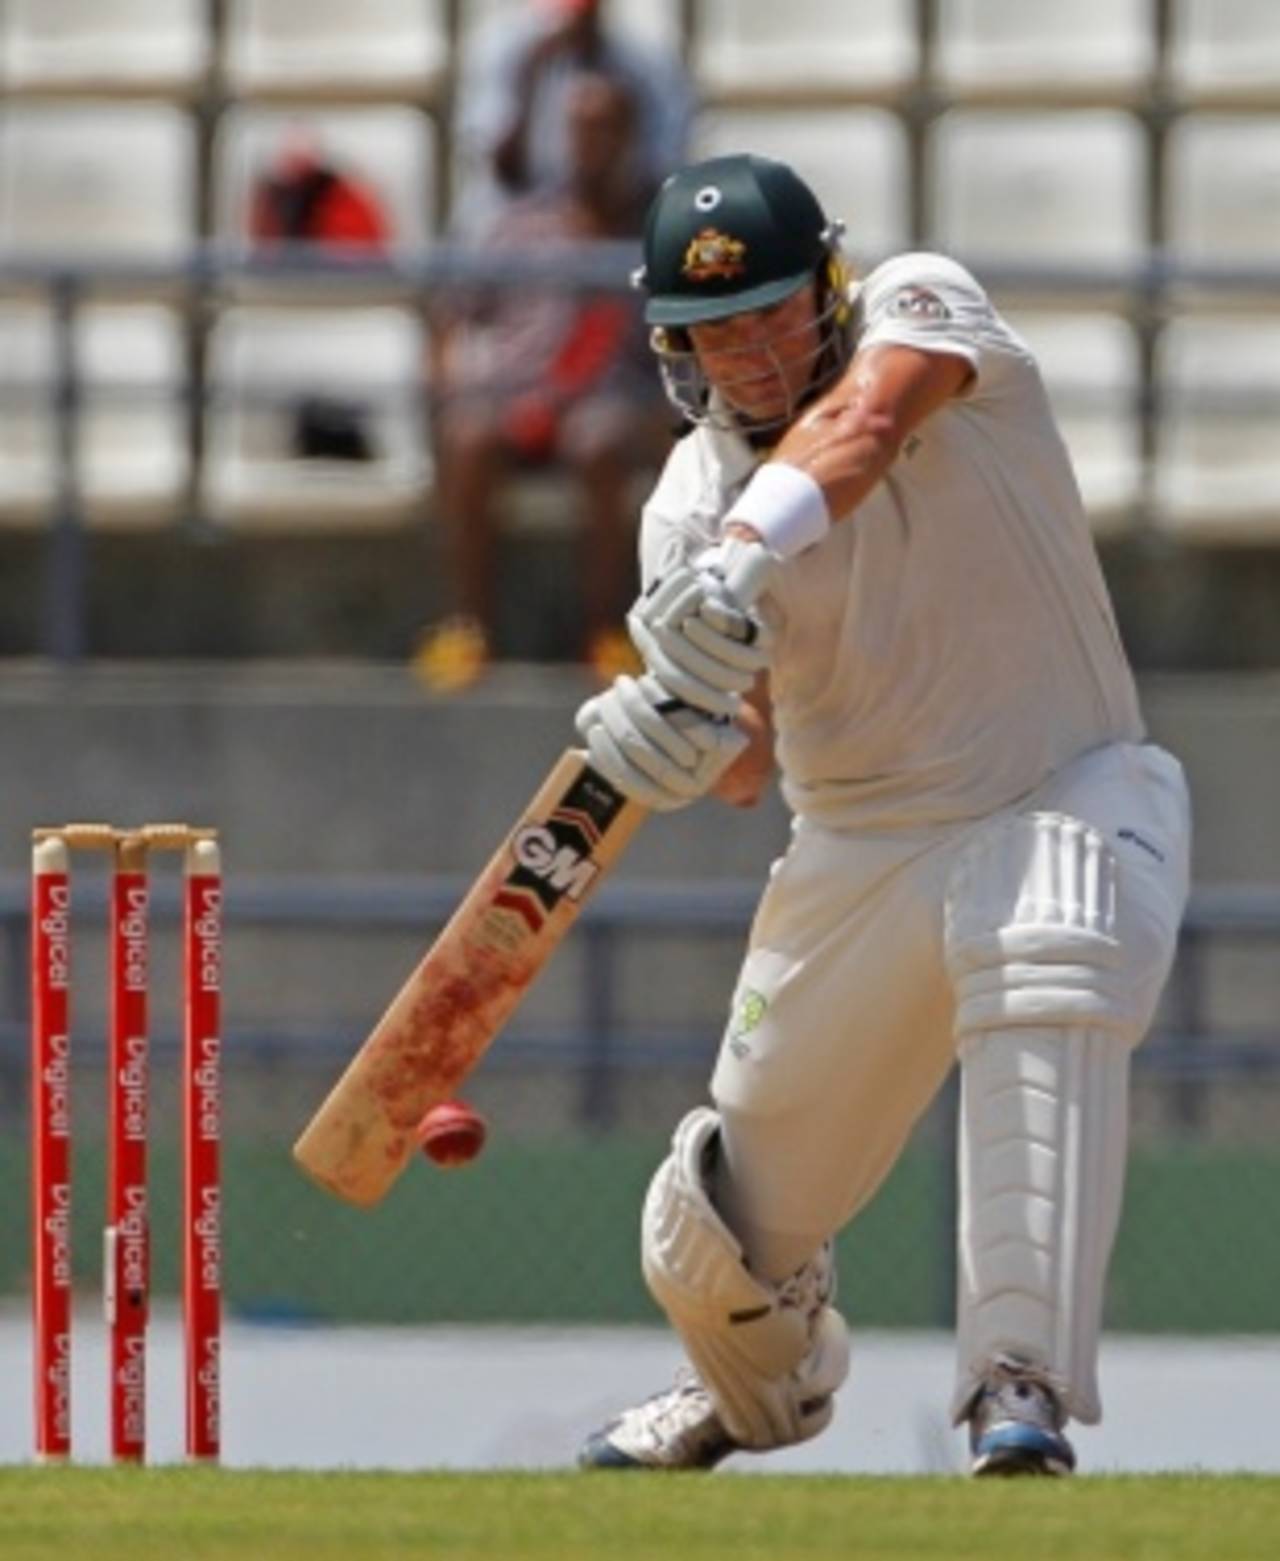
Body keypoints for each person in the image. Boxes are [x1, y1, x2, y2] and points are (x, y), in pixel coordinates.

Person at [572, 154, 1192, 1475]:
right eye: (707, 331)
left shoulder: (924, 309)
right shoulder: (682, 505)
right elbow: (746, 766)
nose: (743, 352)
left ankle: (1015, 1382)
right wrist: (676, 729)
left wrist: (745, 554)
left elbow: (859, 430)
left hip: (1062, 783)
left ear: (831, 290)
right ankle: (750, 1389)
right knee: (714, 1232)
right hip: (858, 849)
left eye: (770, 312)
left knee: (1049, 940)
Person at [417, 72, 668, 691]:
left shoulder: (658, 230)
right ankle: (470, 629)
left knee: (599, 443)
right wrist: (452, 383)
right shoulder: (521, 222)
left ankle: (605, 631)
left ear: (630, 135)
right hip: (515, 398)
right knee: (468, 437)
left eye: (606, 128)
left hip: (610, 399)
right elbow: (453, 314)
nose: (592, 143)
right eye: (580, 129)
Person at [452, 0, 692, 236]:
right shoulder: (504, 50)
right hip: (524, 222)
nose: (590, 143)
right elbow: (490, 155)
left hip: (620, 229)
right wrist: (528, 78)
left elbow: (663, 166)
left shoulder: (646, 64)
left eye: (603, 131)